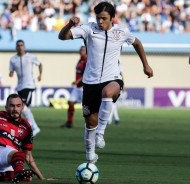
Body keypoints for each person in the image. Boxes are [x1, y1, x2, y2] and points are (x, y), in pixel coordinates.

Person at [58, 1, 153, 164]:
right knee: (90, 123)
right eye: (98, 18)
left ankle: (101, 133)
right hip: (90, 83)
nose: (100, 21)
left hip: (112, 78)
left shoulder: (121, 32)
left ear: (112, 18)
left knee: (108, 92)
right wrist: (69, 25)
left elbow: (137, 43)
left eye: (104, 18)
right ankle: (90, 157)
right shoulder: (88, 29)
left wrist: (146, 65)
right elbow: (62, 37)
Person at [9, 40, 42, 137]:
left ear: (24, 46)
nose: (20, 47)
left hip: (29, 85)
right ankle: (27, 127)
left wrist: (40, 74)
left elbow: (40, 64)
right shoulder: (13, 59)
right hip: (19, 86)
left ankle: (34, 127)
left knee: (23, 107)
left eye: (21, 45)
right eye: (18, 45)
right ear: (16, 47)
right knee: (22, 108)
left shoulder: (30, 57)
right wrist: (10, 73)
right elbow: (11, 70)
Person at [61, 46, 87, 128]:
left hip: (84, 87)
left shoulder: (87, 61)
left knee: (86, 106)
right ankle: (69, 122)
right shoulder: (80, 61)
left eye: (83, 50)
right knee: (70, 102)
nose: (81, 51)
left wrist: (77, 81)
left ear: (86, 52)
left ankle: (91, 123)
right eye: (80, 50)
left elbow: (86, 74)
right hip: (77, 87)